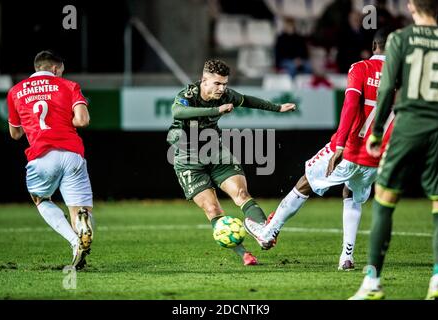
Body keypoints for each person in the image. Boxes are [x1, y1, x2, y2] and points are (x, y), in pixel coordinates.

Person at [245, 28, 394, 271]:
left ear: (374, 46)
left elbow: (349, 107)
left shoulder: (361, 68)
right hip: (376, 156)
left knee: (305, 183)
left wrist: (340, 145)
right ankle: (346, 256)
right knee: (352, 195)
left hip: (350, 148)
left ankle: (268, 232)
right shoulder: (401, 76)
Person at [350, 0, 438, 300]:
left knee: (385, 197)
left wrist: (377, 131)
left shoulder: (400, 39)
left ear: (410, 6)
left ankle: (373, 282)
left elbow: (387, 86)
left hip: (409, 124)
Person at [167, 59, 295, 265]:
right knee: (212, 210)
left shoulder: (226, 95)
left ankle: (265, 232)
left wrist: (277, 108)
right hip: (187, 158)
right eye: (217, 84)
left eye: (225, 84)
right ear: (204, 80)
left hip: (214, 151)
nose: (222, 88)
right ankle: (244, 254)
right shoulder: (187, 95)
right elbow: (177, 112)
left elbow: (248, 100)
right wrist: (216, 111)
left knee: (242, 194)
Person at [7, 50, 94, 270]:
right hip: (72, 153)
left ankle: (75, 242)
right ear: (55, 69)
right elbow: (82, 121)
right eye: (61, 70)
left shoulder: (15, 92)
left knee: (42, 199)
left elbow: (15, 134)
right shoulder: (69, 86)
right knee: (79, 209)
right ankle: (82, 226)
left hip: (41, 156)